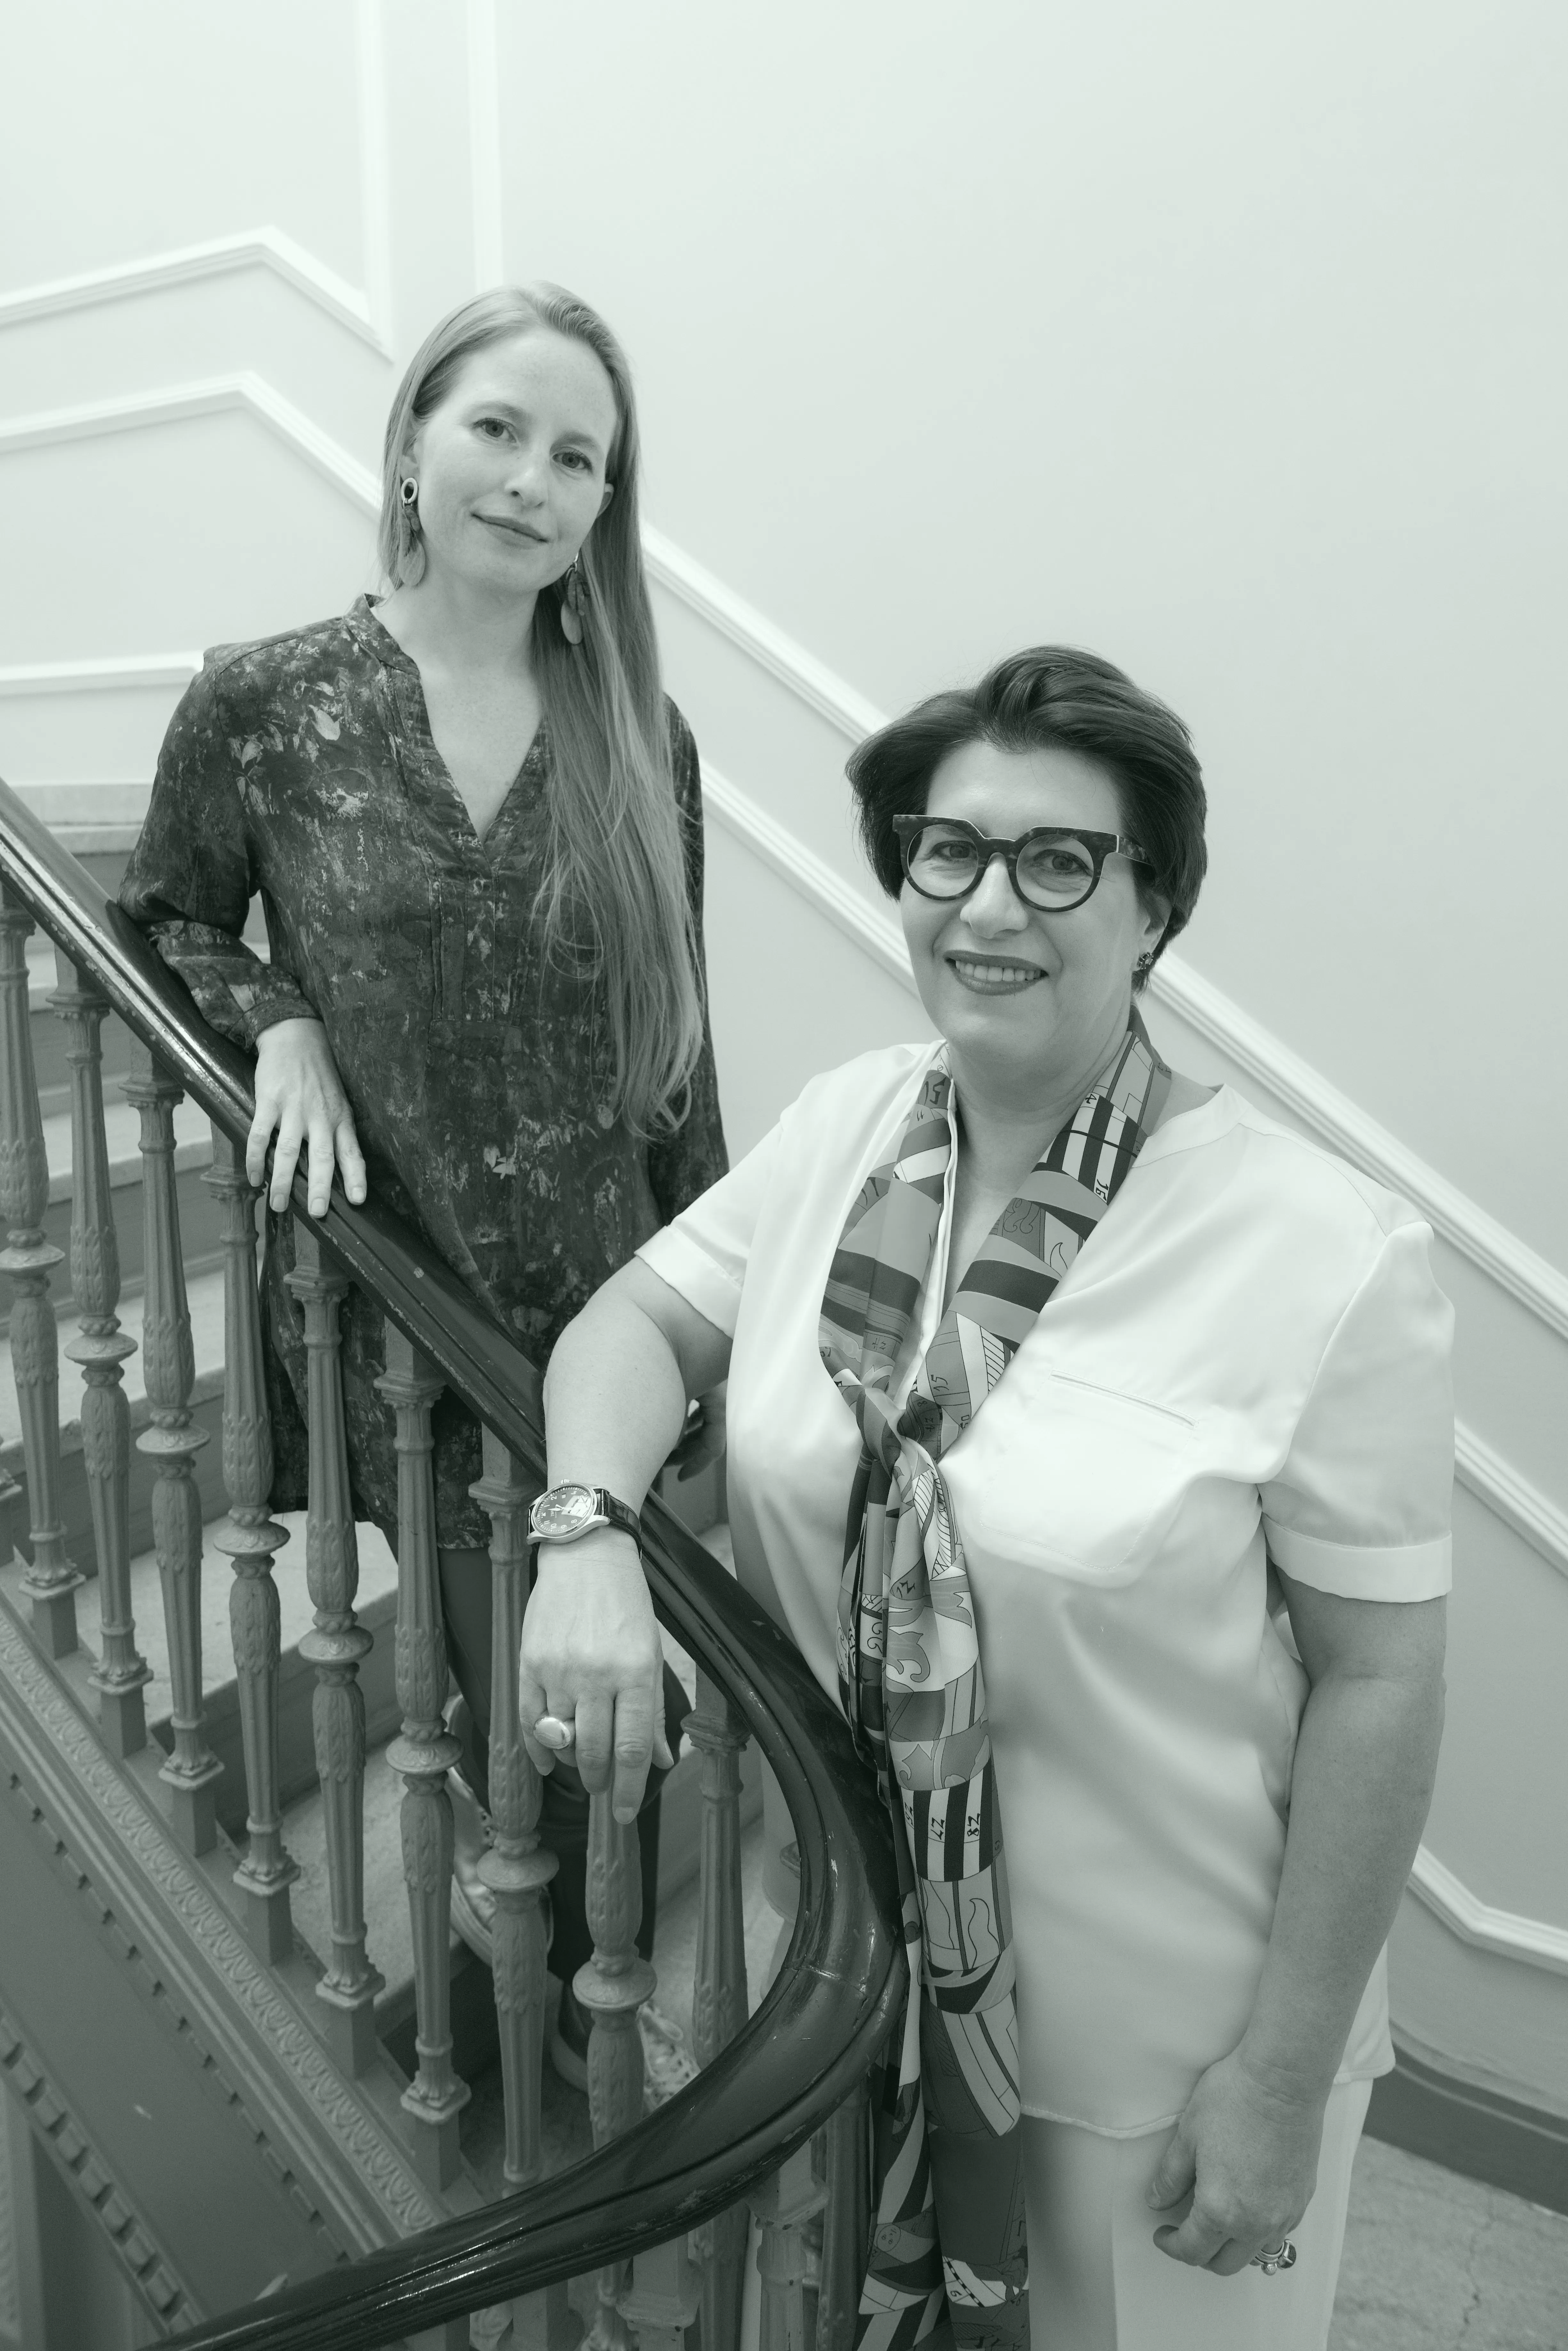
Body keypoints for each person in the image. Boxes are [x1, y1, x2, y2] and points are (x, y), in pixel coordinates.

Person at [519, 648, 1452, 2349]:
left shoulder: (1327, 1252)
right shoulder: (845, 1129)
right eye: (946, 851)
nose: (988, 906)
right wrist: (587, 1533)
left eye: (1058, 860)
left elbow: (1382, 1684)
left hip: (1158, 2047)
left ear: (1153, 904)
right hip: (844, 1982)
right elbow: (632, 1324)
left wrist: (1282, 2077)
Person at [119, 282, 727, 2089]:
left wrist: (712, 1309)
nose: (532, 481)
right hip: (407, 1295)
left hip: (604, 1300)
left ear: (606, 508)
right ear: (409, 443)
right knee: (537, 1721)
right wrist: (281, 1020)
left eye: (578, 458)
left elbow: (674, 1035)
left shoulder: (640, 737)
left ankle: (509, 1996)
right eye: (498, 430)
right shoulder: (267, 702)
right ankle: (518, 2046)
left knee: (598, 1715)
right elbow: (160, 922)